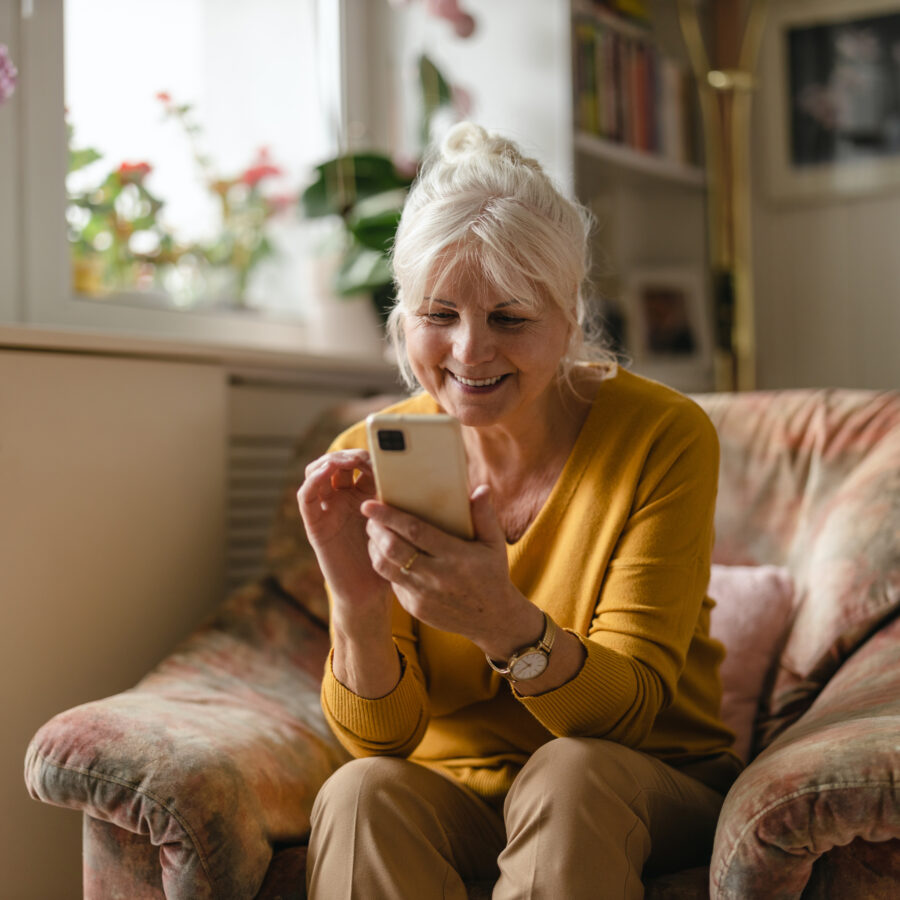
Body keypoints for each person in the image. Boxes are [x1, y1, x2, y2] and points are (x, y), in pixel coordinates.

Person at [297, 122, 742, 899]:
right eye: (439, 315)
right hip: (460, 794)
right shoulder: (372, 452)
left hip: (643, 778)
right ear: (404, 321)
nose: (470, 353)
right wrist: (358, 606)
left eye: (509, 318)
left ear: (568, 321)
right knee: (359, 791)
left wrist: (502, 621)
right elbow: (381, 739)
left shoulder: (663, 437)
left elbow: (628, 714)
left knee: (570, 773)